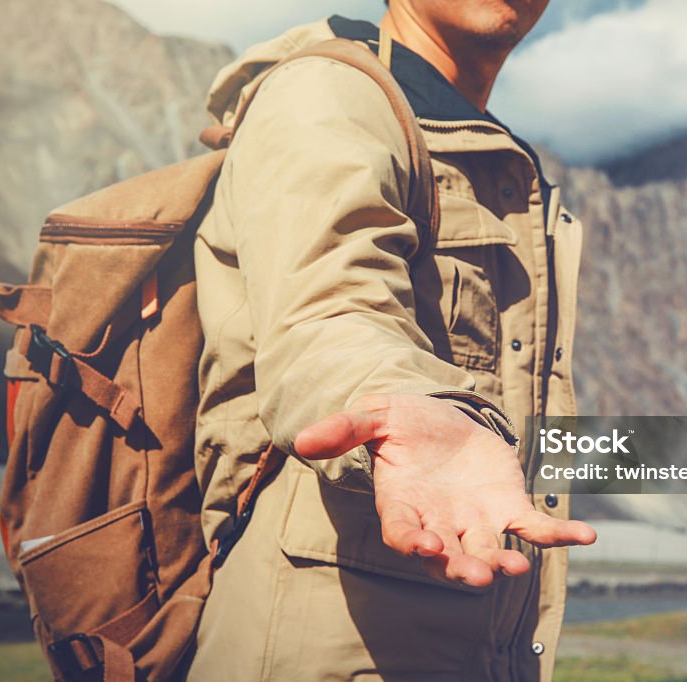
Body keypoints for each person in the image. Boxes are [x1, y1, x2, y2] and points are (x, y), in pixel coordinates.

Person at [188, 2, 594, 680]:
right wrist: (396, 400)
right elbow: (328, 306)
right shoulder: (328, 95)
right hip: (320, 652)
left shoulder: (477, 146)